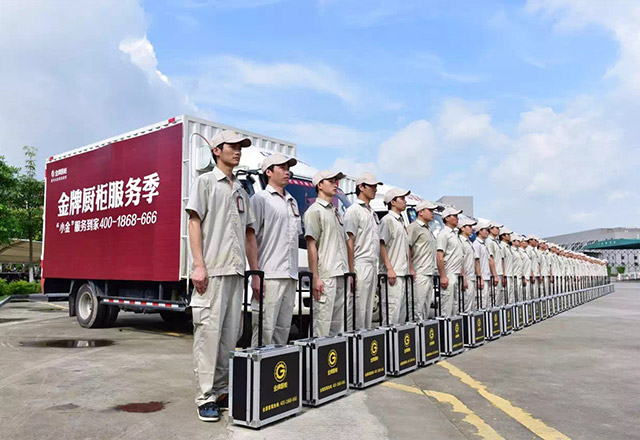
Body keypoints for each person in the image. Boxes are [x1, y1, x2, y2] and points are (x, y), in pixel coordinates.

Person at [186, 130, 256, 422]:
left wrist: (254, 272)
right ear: (217, 150)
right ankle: (205, 397)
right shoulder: (204, 183)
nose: (237, 151)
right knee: (208, 335)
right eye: (232, 146)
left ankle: (222, 390)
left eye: (240, 147)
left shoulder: (241, 190)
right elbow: (194, 222)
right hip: (213, 272)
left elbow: (249, 234)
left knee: (230, 336)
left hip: (236, 272)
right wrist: (199, 265)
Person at [247, 153, 301, 347]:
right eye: (282, 168)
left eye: (288, 169)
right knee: (264, 330)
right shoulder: (260, 199)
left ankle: (278, 367)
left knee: (282, 331)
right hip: (269, 275)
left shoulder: (292, 202)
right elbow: (250, 236)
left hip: (290, 275)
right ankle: (258, 366)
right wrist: (256, 275)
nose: (287, 172)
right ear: (268, 172)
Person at [304, 170, 348, 337]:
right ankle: (317, 355)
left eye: (336, 181)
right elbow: (311, 245)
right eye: (331, 181)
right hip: (326, 275)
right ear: (320, 185)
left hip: (340, 273)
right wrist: (315, 276)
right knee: (322, 325)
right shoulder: (315, 211)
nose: (335, 184)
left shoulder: (335, 212)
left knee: (338, 327)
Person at [344, 172, 383, 330]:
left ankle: (364, 341)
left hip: (372, 264)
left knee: (368, 311)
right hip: (360, 264)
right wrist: (351, 271)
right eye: (371, 186)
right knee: (358, 311)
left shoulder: (371, 212)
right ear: (361, 187)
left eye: (375, 186)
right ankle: (354, 341)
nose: (375, 189)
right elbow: (349, 241)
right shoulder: (353, 211)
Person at [379, 188, 414, 324]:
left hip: (403, 273)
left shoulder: (401, 222)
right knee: (391, 313)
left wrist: (410, 268)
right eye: (402, 199)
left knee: (401, 314)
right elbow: (381, 244)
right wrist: (389, 268)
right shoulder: (387, 220)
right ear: (393, 202)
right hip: (393, 274)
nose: (405, 201)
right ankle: (388, 338)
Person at [407, 200, 439, 319]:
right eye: (430, 210)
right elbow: (407, 247)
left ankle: (422, 330)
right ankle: (415, 330)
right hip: (419, 272)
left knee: (425, 307)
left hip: (429, 272)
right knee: (417, 307)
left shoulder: (428, 229)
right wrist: (411, 269)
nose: (432, 213)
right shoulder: (414, 227)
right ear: (420, 212)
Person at [436, 206, 464, 316]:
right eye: (455, 216)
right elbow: (439, 256)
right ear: (447, 218)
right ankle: (445, 326)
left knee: (455, 306)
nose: (457, 218)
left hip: (456, 273)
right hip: (449, 273)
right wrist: (443, 276)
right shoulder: (443, 234)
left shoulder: (454, 234)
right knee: (447, 306)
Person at [458, 217, 478, 313]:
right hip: (465, 277)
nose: (472, 229)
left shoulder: (469, 242)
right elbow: (460, 260)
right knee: (465, 305)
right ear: (462, 228)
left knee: (471, 305)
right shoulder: (460, 241)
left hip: (471, 277)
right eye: (469, 226)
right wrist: (463, 278)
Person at [472, 220, 492, 310]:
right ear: (480, 231)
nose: (487, 232)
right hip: (481, 278)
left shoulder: (484, 244)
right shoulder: (476, 244)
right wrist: (480, 278)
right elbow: (476, 262)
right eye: (486, 230)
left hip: (486, 277)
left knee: (487, 302)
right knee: (481, 302)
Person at [487, 221, 504, 306]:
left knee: (499, 298)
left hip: (499, 273)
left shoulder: (496, 242)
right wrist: (495, 275)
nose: (498, 230)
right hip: (494, 274)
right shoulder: (489, 241)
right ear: (490, 229)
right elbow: (491, 259)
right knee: (494, 298)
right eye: (496, 228)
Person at [499, 227, 514, 305]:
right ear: (503, 236)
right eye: (508, 234)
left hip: (510, 274)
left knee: (510, 296)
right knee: (505, 296)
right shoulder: (502, 246)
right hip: (506, 274)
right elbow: (502, 260)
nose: (509, 236)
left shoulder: (508, 247)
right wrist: (504, 274)